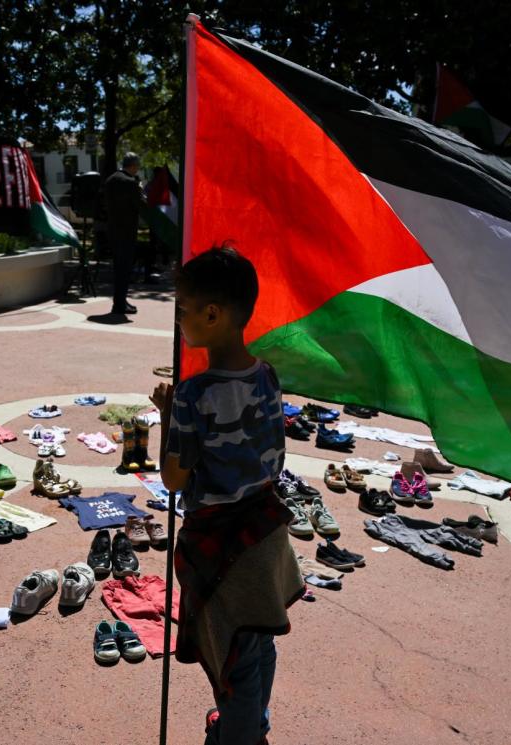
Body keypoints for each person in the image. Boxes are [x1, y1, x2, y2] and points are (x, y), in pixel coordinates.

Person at [150, 246, 303, 745]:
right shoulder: (268, 375)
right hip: (265, 535)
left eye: (183, 310)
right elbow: (274, 456)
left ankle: (241, 736)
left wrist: (169, 420)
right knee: (258, 640)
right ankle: (253, 726)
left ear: (211, 314)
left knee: (232, 659)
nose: (179, 322)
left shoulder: (195, 396)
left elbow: (173, 479)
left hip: (222, 548)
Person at [103, 152, 147, 315]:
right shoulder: (131, 183)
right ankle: (119, 304)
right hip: (127, 231)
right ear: (134, 166)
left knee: (118, 267)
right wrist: (140, 189)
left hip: (113, 229)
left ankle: (120, 301)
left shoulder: (110, 179)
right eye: (137, 167)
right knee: (124, 268)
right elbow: (142, 205)